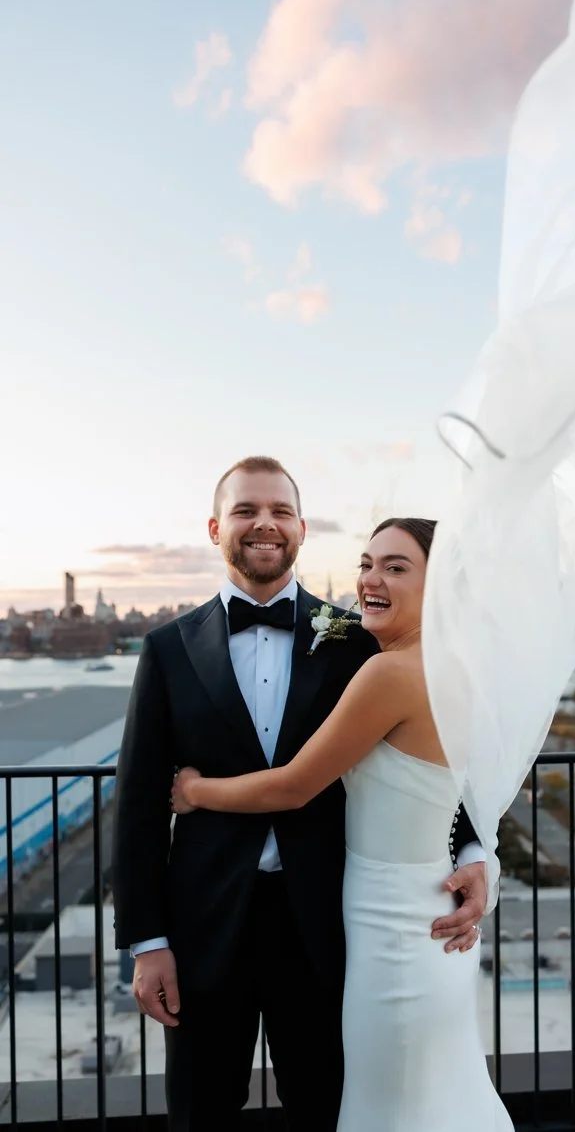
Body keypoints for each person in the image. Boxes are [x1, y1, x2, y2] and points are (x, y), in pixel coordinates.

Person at [112, 461, 490, 1131]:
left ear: (302, 529)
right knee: (201, 1113)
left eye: (281, 511)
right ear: (215, 528)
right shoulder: (167, 649)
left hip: (327, 925)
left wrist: (473, 851)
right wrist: (147, 941)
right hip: (204, 929)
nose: (266, 523)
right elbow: (139, 803)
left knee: (327, 1110)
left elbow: (429, 766)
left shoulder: (357, 641)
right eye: (246, 510)